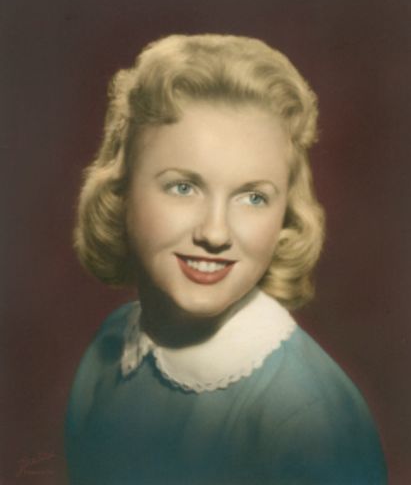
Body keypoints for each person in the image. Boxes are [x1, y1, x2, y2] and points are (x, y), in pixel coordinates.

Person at [65, 34, 387, 485]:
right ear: (121, 191)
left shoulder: (310, 418)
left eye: (253, 197)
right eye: (183, 187)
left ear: (286, 213)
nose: (215, 233)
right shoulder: (111, 350)